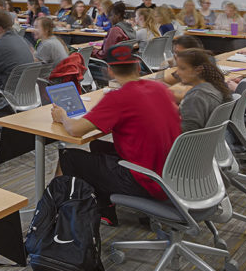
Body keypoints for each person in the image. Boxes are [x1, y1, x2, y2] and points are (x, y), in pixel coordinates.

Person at [52, 43, 181, 226]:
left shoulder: (118, 98)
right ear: (137, 66)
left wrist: (62, 116)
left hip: (146, 181)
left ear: (110, 71)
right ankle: (105, 210)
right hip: (171, 173)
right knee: (98, 146)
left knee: (69, 157)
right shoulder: (160, 89)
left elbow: (74, 130)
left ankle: (53, 216)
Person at [174, 49, 231, 132]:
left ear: (198, 70)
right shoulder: (215, 86)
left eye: (182, 68)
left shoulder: (195, 97)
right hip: (213, 141)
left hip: (191, 143)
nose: (177, 73)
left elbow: (188, 131)